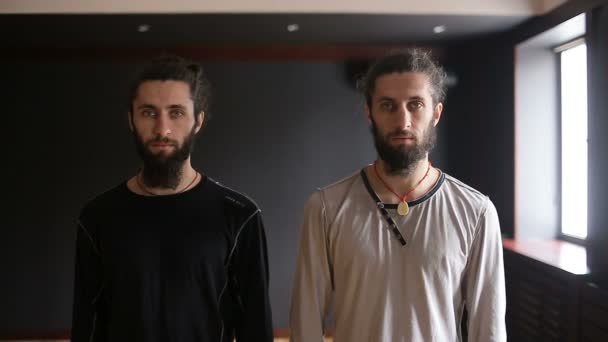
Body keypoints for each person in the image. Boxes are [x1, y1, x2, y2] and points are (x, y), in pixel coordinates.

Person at [290, 48, 506, 342]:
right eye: (388, 106)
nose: (403, 121)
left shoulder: (476, 212)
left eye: (415, 104)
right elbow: (306, 323)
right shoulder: (327, 207)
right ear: (370, 114)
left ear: (436, 113)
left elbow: (489, 329)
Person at [71, 55, 273, 342]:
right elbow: (86, 325)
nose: (162, 129)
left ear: (198, 121)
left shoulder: (240, 216)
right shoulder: (97, 217)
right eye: (148, 112)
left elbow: (256, 327)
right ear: (131, 119)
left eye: (176, 112)